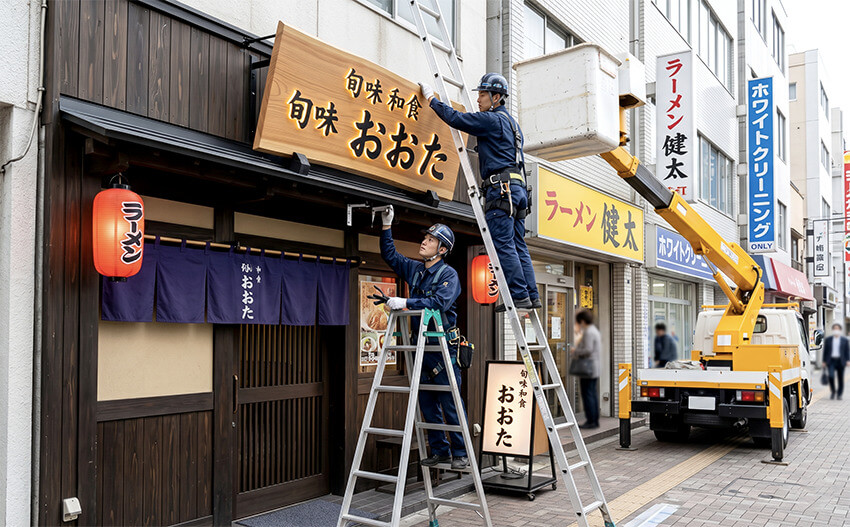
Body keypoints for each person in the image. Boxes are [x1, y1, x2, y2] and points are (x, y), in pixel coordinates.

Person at [419, 73, 539, 312]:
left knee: (503, 244)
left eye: (483, 94)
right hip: (517, 190)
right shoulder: (512, 124)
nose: (479, 99)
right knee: (518, 244)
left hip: (501, 190)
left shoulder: (492, 120)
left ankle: (518, 296)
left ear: (496, 97)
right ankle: (531, 295)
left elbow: (457, 118)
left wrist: (431, 99)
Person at [378, 205, 469, 469]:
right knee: (427, 402)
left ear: (442, 249)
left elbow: (438, 302)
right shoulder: (416, 270)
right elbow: (391, 256)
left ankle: (460, 453)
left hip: (443, 349)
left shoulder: (448, 275)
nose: (424, 241)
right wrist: (386, 226)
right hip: (421, 347)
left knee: (450, 402)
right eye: (425, 238)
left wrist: (404, 301)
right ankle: (440, 450)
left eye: (430, 240)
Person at [572, 309, 601, 429]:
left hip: (588, 367)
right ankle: (593, 420)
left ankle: (591, 421)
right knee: (592, 394)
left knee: (588, 394)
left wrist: (575, 351)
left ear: (583, 321)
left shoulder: (589, 332)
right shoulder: (594, 330)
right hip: (594, 366)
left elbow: (588, 349)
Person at [822, 323, 850, 400]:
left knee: (840, 378)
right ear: (833, 330)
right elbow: (826, 351)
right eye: (835, 329)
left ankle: (839, 394)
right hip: (831, 361)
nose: (836, 330)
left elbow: (847, 351)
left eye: (837, 329)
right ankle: (833, 391)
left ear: (840, 330)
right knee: (831, 376)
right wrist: (824, 361)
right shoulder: (829, 339)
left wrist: (848, 360)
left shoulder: (844, 340)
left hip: (841, 361)